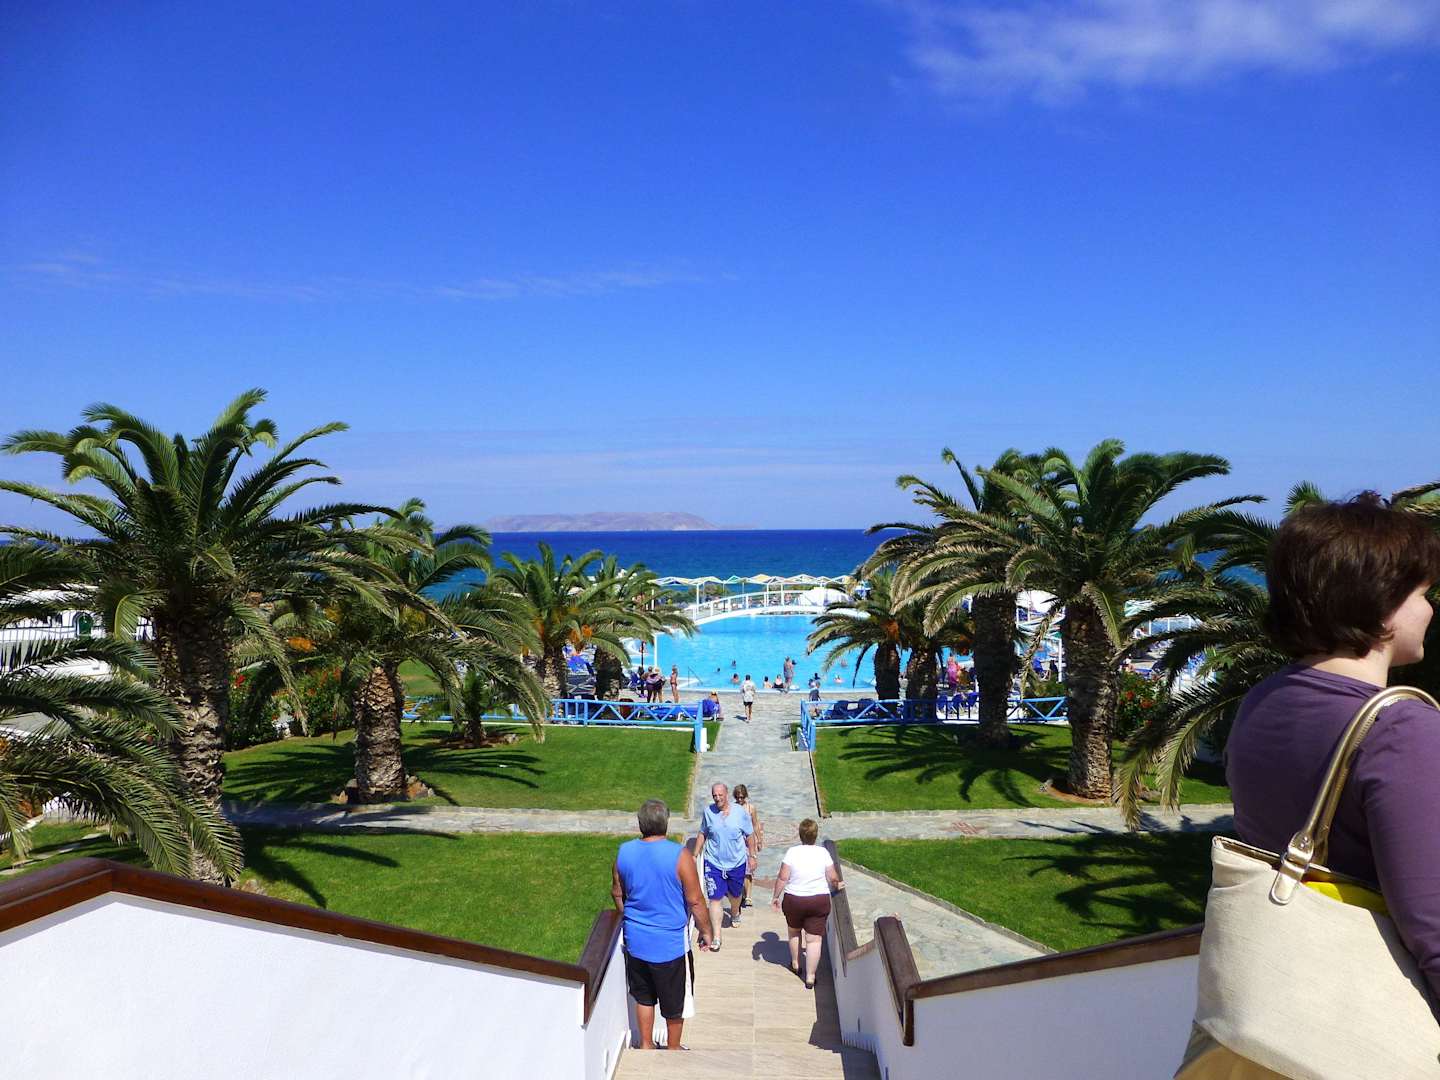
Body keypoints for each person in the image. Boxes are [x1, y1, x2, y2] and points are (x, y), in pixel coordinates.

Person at [1216, 495, 1440, 1045]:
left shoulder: (1264, 700)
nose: (1430, 610)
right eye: (1422, 593)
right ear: (1381, 602)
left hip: (1288, 1004)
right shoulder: (1401, 728)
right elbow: (1433, 925)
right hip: (1373, 1023)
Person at [612, 799, 714, 1051]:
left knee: (644, 997)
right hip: (670, 946)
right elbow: (695, 900)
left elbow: (617, 893)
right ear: (666, 824)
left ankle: (646, 1046)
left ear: (640, 824)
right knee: (675, 1002)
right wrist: (706, 931)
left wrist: (631, 919)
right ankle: (673, 1049)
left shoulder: (624, 852)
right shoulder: (680, 856)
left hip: (636, 942)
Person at [771, 818, 844, 988]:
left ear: (800, 835)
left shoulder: (792, 852)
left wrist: (775, 897)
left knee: (794, 932)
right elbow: (832, 877)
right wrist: (837, 884)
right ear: (815, 835)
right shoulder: (823, 853)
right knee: (814, 940)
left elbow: (783, 877)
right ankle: (810, 977)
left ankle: (796, 964)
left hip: (794, 899)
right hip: (818, 900)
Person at [694, 782, 755, 950]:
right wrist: (694, 854)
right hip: (713, 862)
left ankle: (735, 912)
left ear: (727, 794)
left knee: (735, 895)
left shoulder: (740, 813)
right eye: (714, 795)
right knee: (714, 898)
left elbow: (750, 835)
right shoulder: (708, 812)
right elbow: (703, 833)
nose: (717, 798)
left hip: (736, 862)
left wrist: (752, 856)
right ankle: (717, 936)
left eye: (720, 795)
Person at [732, 783, 763, 908]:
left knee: (749, 869)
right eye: (738, 797)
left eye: (742, 797)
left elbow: (755, 824)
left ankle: (748, 896)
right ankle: (743, 894)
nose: (740, 800)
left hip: (749, 842)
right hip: (737, 842)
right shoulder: (732, 808)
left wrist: (759, 839)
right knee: (739, 869)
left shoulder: (751, 808)